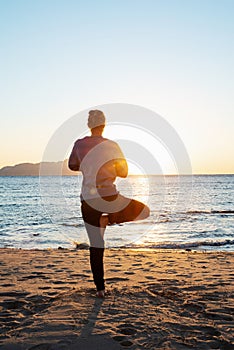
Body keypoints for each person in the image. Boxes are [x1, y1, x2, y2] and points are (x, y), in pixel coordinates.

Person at [68, 110, 150, 297]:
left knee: (96, 245)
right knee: (144, 211)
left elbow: (72, 166)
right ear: (104, 125)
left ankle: (100, 290)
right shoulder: (112, 145)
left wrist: (88, 163)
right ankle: (110, 218)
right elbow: (124, 172)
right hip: (109, 197)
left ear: (89, 125)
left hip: (88, 199)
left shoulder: (79, 144)